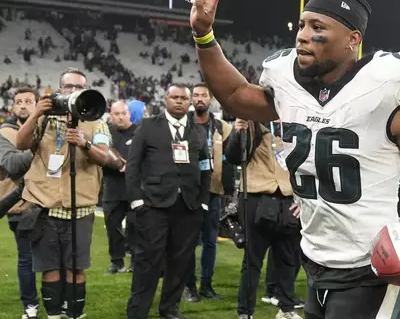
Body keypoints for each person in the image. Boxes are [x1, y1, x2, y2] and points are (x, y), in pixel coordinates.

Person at [187, 0, 400, 319]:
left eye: (317, 27)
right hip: (317, 259)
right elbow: (233, 96)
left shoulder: (386, 86)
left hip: (372, 265)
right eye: (302, 24)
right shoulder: (286, 81)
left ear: (352, 40)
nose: (302, 34)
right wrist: (204, 36)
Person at [16, 68, 113, 319]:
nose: (73, 91)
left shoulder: (97, 119)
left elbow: (105, 158)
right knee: (49, 269)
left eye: (78, 87)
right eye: (68, 86)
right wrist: (37, 111)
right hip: (45, 206)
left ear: (86, 89)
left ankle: (76, 315)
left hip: (80, 208)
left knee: (76, 268)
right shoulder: (45, 117)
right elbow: (21, 143)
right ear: (59, 89)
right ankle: (53, 315)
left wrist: (85, 143)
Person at [126, 84, 212, 319]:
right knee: (148, 262)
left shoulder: (197, 131)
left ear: (189, 102)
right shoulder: (148, 126)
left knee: (181, 261)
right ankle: (137, 312)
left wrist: (203, 202)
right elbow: (132, 166)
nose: (179, 102)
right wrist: (136, 201)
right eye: (174, 97)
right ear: (166, 99)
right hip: (153, 206)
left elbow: (206, 168)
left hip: (188, 208)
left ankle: (169, 308)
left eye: (184, 98)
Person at [225, 119, 302, 319]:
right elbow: (233, 156)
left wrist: (301, 198)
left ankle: (286, 308)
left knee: (287, 258)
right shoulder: (250, 123)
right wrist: (237, 130)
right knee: (252, 260)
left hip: (287, 196)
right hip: (256, 195)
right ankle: (245, 312)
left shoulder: (290, 121)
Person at [185, 84, 235, 301]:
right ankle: (189, 287)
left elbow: (229, 159)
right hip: (188, 192)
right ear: (191, 100)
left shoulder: (221, 127)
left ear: (211, 99)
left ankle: (206, 285)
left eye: (203, 95)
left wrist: (229, 189)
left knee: (210, 242)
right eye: (195, 95)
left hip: (213, 191)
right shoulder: (183, 125)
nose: (199, 99)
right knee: (187, 242)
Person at [0, 87, 40, 319]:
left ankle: (58, 302)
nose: (23, 105)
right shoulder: (4, 134)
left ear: (37, 105)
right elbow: (12, 165)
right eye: (18, 101)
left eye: (28, 101)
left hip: (49, 201)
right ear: (13, 107)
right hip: (19, 204)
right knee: (27, 258)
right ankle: (30, 306)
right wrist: (40, 150)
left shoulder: (47, 129)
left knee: (58, 256)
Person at [103, 101, 136, 274]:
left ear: (129, 114)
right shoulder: (105, 132)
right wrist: (114, 163)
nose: (121, 117)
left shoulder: (139, 132)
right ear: (111, 115)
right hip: (112, 187)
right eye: (117, 114)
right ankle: (117, 262)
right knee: (112, 226)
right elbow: (98, 155)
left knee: (136, 227)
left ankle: (135, 262)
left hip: (134, 188)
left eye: (123, 113)